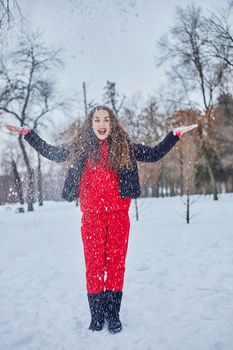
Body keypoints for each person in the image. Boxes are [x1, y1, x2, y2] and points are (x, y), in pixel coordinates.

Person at [5, 105, 197, 334]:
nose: (102, 124)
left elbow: (154, 154)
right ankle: (97, 315)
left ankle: (113, 314)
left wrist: (174, 135)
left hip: (118, 218)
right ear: (91, 124)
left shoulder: (125, 148)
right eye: (97, 120)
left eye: (106, 119)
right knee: (94, 267)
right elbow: (52, 153)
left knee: (116, 266)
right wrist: (29, 134)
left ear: (112, 123)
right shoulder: (81, 149)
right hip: (92, 220)